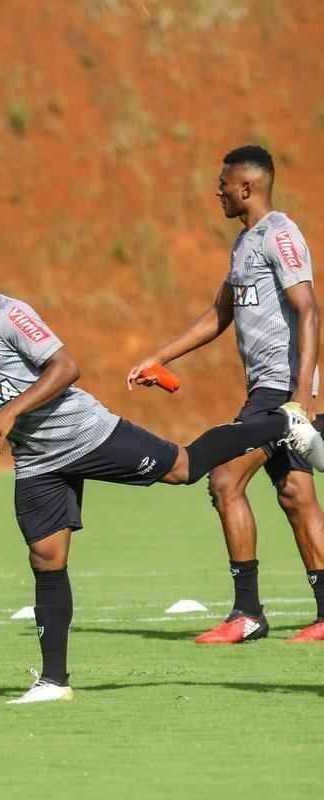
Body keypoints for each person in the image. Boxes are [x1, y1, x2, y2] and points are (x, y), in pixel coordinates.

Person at [0, 234, 323, 704]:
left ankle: (281, 423)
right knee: (46, 558)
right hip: (37, 459)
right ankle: (53, 681)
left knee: (184, 467)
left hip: (87, 433)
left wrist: (10, 415)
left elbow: (66, 367)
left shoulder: (5, 314)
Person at [128, 145, 324, 644]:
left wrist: (300, 400)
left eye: (224, 182)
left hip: (282, 390)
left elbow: (309, 311)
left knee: (224, 479)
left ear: (248, 187)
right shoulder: (244, 244)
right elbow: (219, 314)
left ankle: (247, 613)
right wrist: (161, 357)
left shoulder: (280, 233)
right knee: (296, 494)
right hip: (268, 388)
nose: (217, 190)